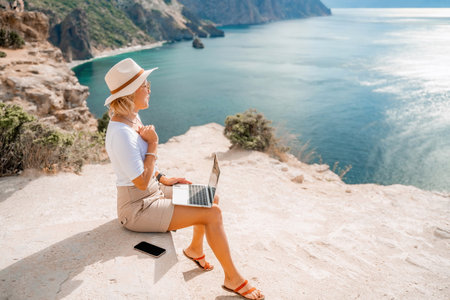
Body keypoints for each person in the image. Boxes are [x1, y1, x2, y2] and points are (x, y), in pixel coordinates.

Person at [104, 58, 264, 300]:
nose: (149, 89)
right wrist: (154, 144)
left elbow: (139, 169)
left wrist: (163, 177)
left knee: (211, 197)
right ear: (130, 92)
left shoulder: (131, 118)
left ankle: (195, 249)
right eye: (145, 85)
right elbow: (138, 182)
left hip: (153, 191)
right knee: (212, 212)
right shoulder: (121, 132)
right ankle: (233, 278)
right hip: (137, 208)